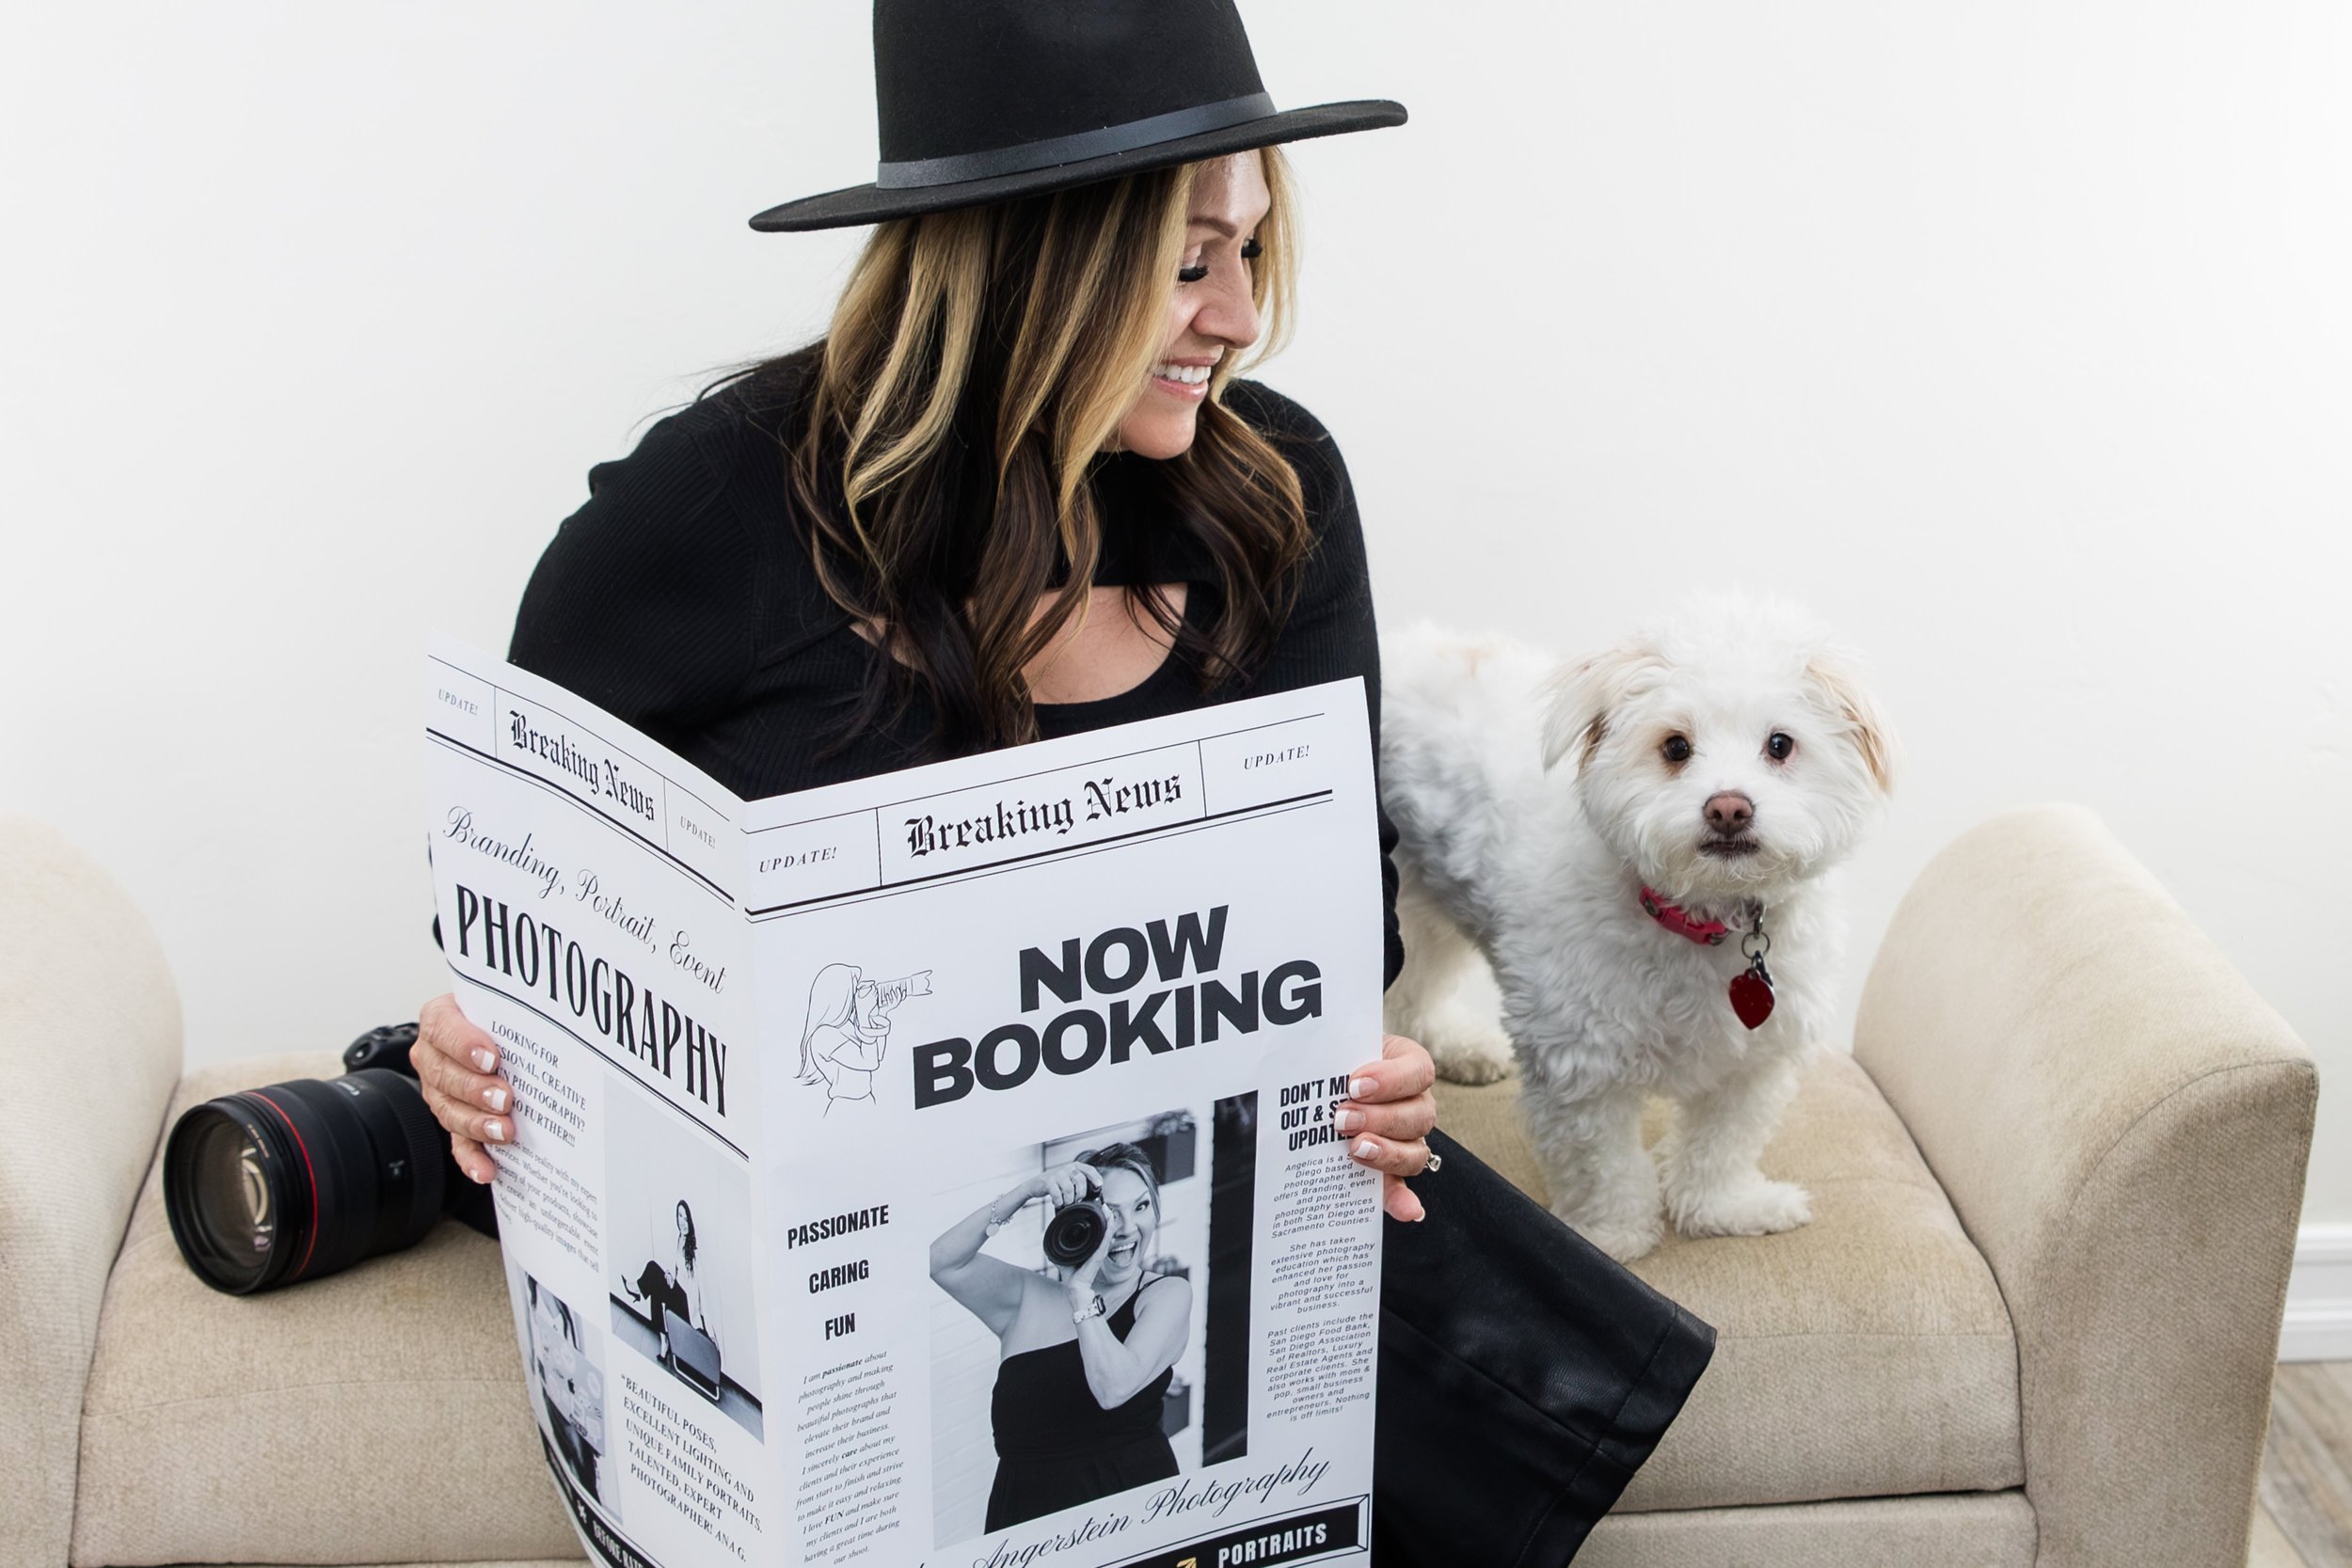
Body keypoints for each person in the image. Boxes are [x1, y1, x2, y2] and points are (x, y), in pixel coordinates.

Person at [930, 1145, 1185, 1529]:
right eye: (1111, 1213)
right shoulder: (1025, 1298)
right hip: (1026, 1521)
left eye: (1142, 1207)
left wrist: (1081, 1290)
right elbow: (941, 1261)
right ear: (1080, 1220)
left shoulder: (1165, 1295)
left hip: (1131, 1521)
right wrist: (1026, 1192)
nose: (1129, 1228)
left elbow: (1112, 1388)